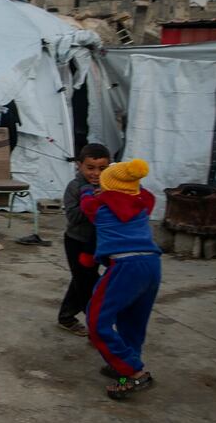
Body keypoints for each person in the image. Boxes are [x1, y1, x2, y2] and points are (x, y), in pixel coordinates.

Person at [79, 159, 162, 400]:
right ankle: (124, 370)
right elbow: (142, 193)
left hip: (125, 266)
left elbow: (85, 202)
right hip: (152, 265)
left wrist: (88, 189)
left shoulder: (101, 208)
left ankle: (133, 371)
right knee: (132, 322)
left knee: (96, 321)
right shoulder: (143, 204)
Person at [57, 144, 112, 336]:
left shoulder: (110, 185)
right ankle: (98, 329)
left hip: (98, 242)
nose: (96, 173)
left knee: (81, 280)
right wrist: (92, 202)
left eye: (102, 168)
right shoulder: (74, 187)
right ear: (79, 165)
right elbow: (73, 216)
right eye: (90, 167)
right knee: (87, 284)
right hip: (76, 241)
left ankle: (66, 317)